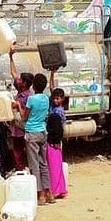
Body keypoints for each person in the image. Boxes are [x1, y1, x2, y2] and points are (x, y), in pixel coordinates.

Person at [17, 73, 53, 206]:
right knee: (43, 163)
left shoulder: (31, 100)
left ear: (33, 85)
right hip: (43, 132)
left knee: (34, 164)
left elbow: (24, 117)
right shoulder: (46, 98)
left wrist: (18, 106)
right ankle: (49, 192)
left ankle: (40, 194)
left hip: (32, 133)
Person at [8, 49, 33, 171]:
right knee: (16, 152)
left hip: (24, 127)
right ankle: (19, 170)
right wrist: (10, 57)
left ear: (25, 83)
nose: (19, 80)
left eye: (21, 80)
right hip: (16, 127)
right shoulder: (20, 90)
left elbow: (26, 115)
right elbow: (13, 73)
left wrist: (17, 105)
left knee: (28, 150)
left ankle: (31, 170)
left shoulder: (29, 97)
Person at [46, 69, 67, 199]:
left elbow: (60, 129)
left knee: (55, 165)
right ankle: (59, 189)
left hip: (56, 139)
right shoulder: (53, 107)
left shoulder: (59, 111)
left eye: (57, 99)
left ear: (62, 99)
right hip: (53, 137)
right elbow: (51, 87)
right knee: (55, 164)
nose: (55, 100)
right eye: (54, 98)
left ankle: (56, 190)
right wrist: (52, 74)